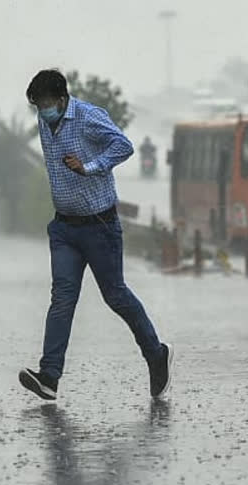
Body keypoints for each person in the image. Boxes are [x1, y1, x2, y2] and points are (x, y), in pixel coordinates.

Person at [18, 69, 173, 401]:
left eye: (45, 104)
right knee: (62, 299)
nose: (42, 112)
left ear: (62, 100)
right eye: (37, 106)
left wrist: (89, 166)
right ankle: (50, 376)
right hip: (64, 228)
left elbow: (124, 146)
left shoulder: (88, 117)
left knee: (115, 295)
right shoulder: (45, 122)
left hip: (99, 226)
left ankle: (156, 354)